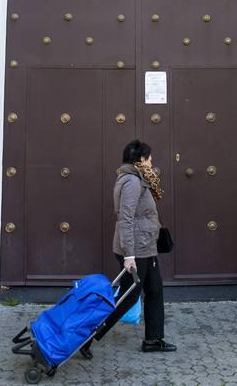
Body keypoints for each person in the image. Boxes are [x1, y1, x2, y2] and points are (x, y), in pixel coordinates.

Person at [92, 139, 176, 353]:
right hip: (136, 250)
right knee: (128, 297)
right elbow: (125, 218)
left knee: (154, 290)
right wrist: (129, 256)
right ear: (140, 160)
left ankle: (153, 340)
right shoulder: (132, 182)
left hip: (146, 247)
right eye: (149, 157)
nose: (152, 161)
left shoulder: (137, 178)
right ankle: (90, 335)